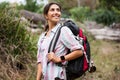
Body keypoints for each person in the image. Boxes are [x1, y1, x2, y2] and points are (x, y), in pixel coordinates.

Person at [36, 2, 83, 80]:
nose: (56, 12)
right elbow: (40, 61)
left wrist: (59, 59)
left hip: (58, 76)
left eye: (58, 10)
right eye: (52, 10)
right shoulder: (42, 37)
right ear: (46, 15)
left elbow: (79, 51)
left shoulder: (63, 30)